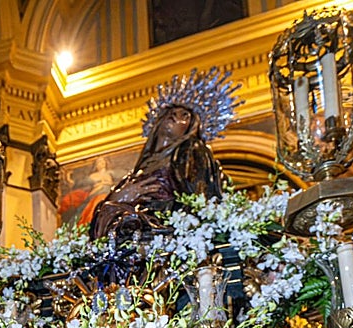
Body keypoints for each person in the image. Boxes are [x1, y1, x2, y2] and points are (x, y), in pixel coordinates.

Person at [87, 67, 240, 243]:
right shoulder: (140, 170)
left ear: (192, 128)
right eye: (171, 112)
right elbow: (107, 210)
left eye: (185, 116)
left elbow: (199, 199)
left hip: (167, 233)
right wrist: (119, 198)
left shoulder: (191, 151)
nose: (175, 117)